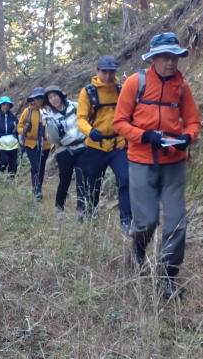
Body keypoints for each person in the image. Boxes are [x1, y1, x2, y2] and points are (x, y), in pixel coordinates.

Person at [113, 32, 202, 300]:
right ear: (153, 58)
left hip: (173, 162)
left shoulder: (182, 87)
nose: (171, 62)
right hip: (141, 161)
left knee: (176, 223)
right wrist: (144, 136)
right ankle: (138, 254)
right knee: (146, 221)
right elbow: (119, 123)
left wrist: (188, 137)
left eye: (174, 57)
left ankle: (167, 277)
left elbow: (193, 121)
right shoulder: (135, 83)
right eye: (165, 57)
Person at [75, 55, 132, 232]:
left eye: (111, 72)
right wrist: (89, 131)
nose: (108, 75)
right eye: (104, 71)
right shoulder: (88, 92)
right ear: (97, 71)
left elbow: (129, 113)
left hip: (118, 144)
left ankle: (126, 220)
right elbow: (81, 118)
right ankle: (90, 215)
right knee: (93, 183)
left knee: (126, 179)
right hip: (95, 146)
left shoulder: (121, 89)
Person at [42, 84, 86, 220]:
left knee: (82, 179)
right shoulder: (49, 116)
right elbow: (52, 139)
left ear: (60, 95)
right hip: (64, 150)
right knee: (65, 180)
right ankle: (59, 207)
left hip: (81, 147)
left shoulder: (75, 106)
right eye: (50, 98)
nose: (54, 99)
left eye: (55, 95)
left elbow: (86, 120)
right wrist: (49, 123)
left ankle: (81, 210)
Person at [17, 87, 52, 199]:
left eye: (41, 97)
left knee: (41, 167)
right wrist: (24, 130)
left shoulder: (48, 110)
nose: (39, 100)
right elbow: (19, 128)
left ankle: (38, 188)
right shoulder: (27, 111)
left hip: (45, 144)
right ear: (33, 99)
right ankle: (36, 190)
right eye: (37, 98)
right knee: (36, 166)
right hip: (31, 144)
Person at [0, 95, 20, 176]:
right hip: (1, 143)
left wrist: (16, 134)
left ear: (10, 106)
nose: (6, 106)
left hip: (13, 144)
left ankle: (11, 180)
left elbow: (18, 128)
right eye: (4, 104)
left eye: (7, 105)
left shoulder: (13, 117)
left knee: (13, 164)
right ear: (0, 106)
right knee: (3, 162)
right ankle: (0, 178)